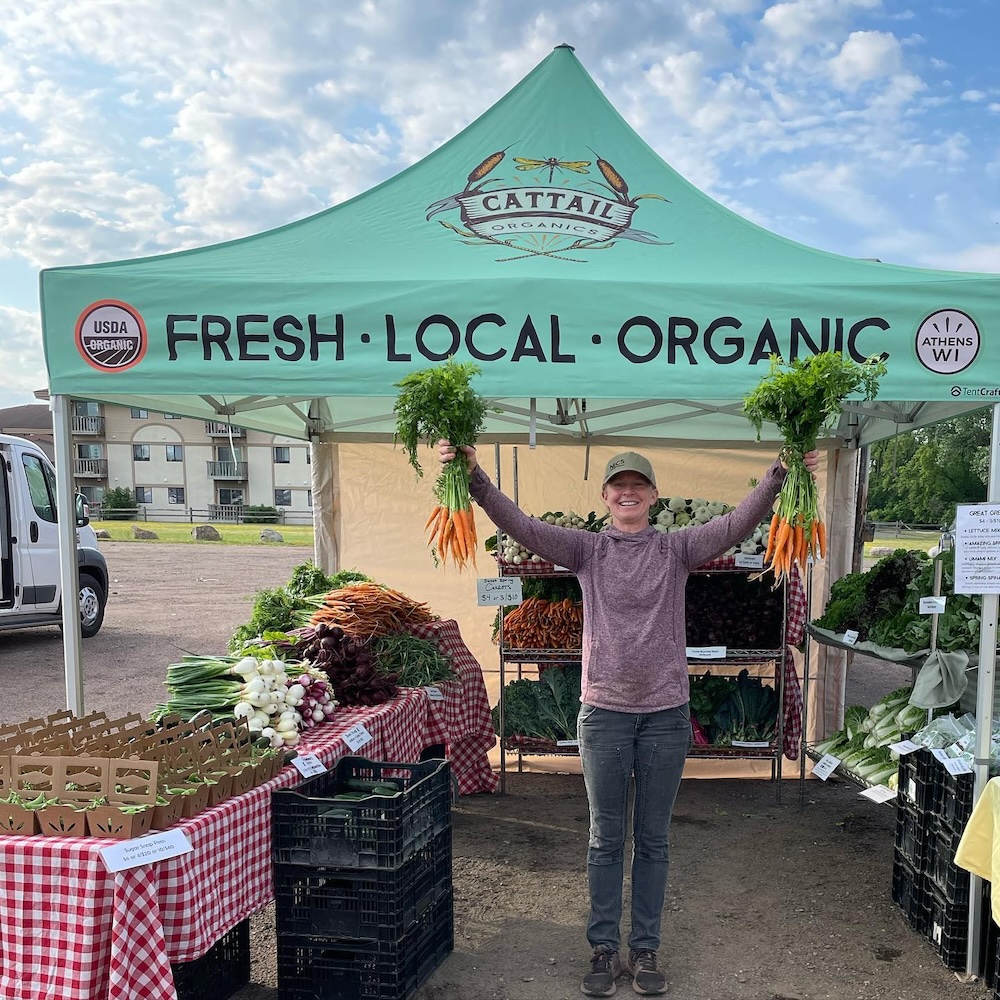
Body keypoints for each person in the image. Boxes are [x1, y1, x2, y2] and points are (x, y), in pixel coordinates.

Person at [439, 439, 820, 997]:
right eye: (619, 485)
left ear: (653, 496)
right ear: (605, 495)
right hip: (604, 717)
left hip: (666, 716)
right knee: (604, 839)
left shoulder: (678, 550)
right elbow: (520, 526)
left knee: (654, 839)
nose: (628, 492)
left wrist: (781, 473)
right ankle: (602, 948)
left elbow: (739, 523)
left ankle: (644, 951)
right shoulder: (587, 550)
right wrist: (473, 477)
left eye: (638, 485)